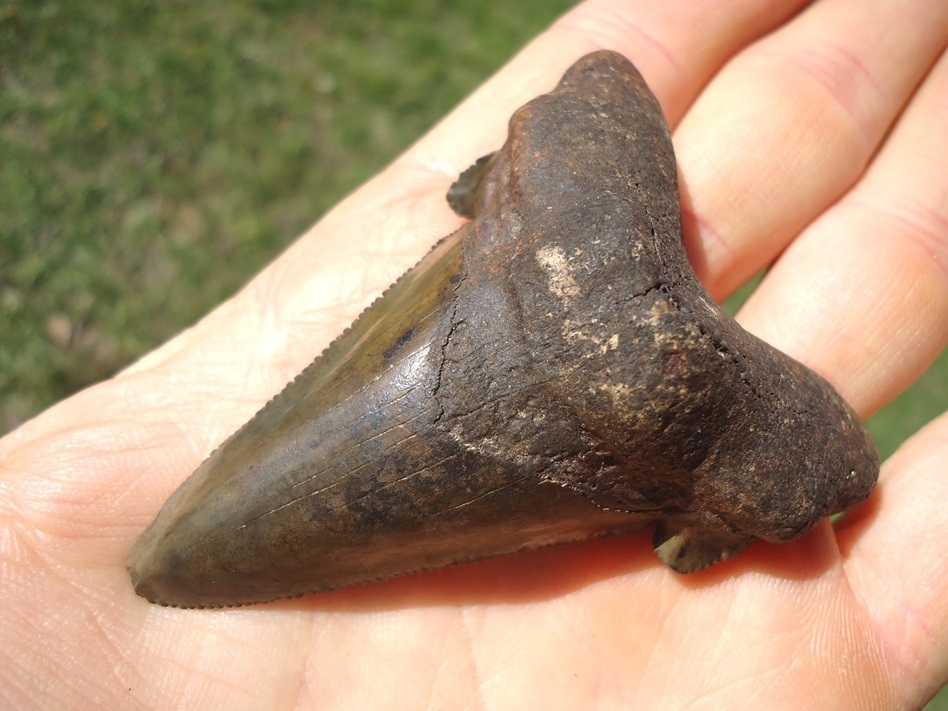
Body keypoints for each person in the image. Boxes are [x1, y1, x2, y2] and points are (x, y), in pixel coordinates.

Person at [1, 0, 946, 707]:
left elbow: (597, 91)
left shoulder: (761, 450)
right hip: (582, 307)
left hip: (584, 292)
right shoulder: (765, 464)